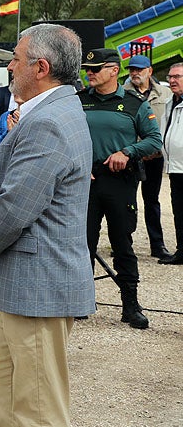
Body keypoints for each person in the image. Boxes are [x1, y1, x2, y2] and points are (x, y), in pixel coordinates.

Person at [0, 23, 95, 427]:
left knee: (36, 411)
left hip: (37, 290)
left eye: (16, 60)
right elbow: (0, 186)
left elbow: (14, 207)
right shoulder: (47, 114)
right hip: (21, 287)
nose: (10, 68)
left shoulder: (49, 122)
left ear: (40, 67)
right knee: (13, 403)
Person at [79, 47, 162, 329]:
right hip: (85, 182)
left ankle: (130, 305)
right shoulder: (78, 101)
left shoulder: (134, 103)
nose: (89, 73)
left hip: (119, 182)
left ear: (114, 70)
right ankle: (80, 302)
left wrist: (127, 152)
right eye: (87, 69)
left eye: (95, 69)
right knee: (82, 245)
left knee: (122, 244)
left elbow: (154, 140)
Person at [123, 54, 174, 260]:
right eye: (132, 69)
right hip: (130, 155)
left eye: (139, 70)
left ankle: (157, 245)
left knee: (152, 201)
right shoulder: (122, 93)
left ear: (149, 71)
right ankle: (124, 242)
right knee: (127, 200)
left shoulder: (166, 93)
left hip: (154, 156)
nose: (135, 73)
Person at [160, 62, 183, 265]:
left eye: (177, 77)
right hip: (175, 168)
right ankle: (181, 250)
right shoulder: (170, 102)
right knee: (179, 212)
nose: (172, 80)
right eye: (170, 77)